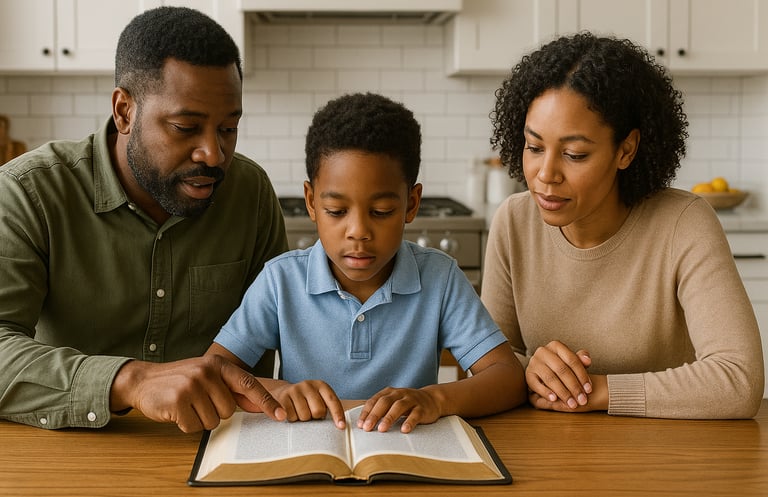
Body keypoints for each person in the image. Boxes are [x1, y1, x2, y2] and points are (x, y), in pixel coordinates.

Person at [0, 6, 288, 433]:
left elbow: (278, 335)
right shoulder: (28, 193)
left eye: (228, 129)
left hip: (221, 447)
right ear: (124, 112)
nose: (213, 154)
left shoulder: (250, 193)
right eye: (185, 127)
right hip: (65, 455)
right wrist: (128, 380)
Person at [206, 92, 527, 433]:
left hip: (405, 453)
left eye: (381, 212)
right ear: (312, 202)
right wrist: (280, 391)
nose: (358, 232)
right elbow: (214, 372)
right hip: (307, 456)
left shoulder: (440, 278)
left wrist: (435, 399)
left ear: (411, 204)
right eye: (336, 211)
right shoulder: (280, 281)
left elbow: (507, 377)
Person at [482, 32, 764, 419]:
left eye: (574, 154)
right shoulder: (513, 221)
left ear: (626, 150)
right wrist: (529, 370)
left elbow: (739, 380)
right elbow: (487, 361)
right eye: (534, 147)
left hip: (668, 457)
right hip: (549, 455)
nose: (545, 174)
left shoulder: (684, 223)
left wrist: (595, 391)